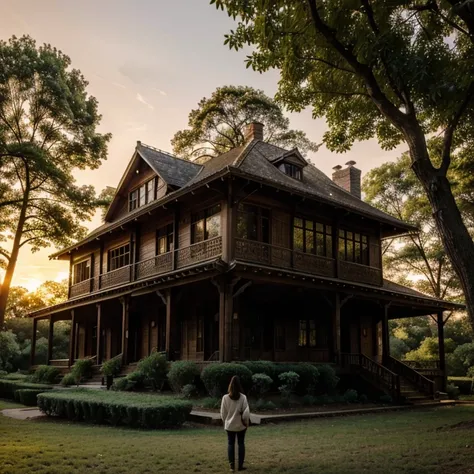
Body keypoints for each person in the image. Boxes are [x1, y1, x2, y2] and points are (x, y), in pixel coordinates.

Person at [220, 375, 250, 472]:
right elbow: (246, 413)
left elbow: (222, 413)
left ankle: (232, 466)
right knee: (241, 443)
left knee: (230, 444)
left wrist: (226, 421)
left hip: (229, 425)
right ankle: (240, 466)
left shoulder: (225, 398)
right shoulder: (243, 397)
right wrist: (246, 423)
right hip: (241, 425)